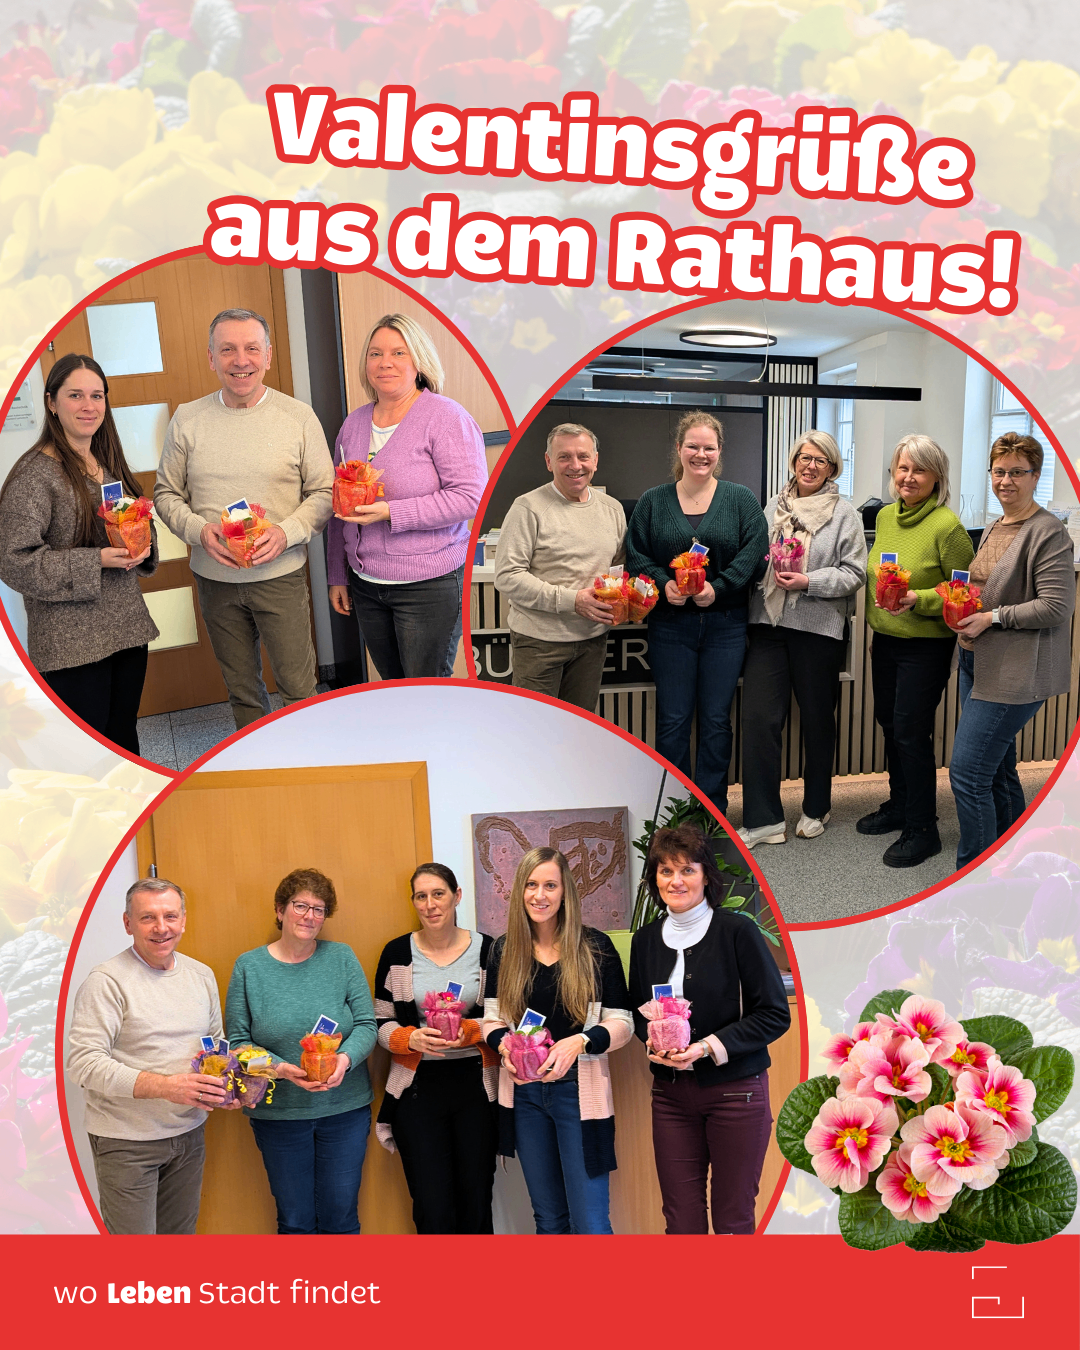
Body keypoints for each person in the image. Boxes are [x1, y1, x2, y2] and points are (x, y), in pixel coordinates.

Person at [154, 308, 334, 729]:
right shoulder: (187, 418)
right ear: (211, 358)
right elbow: (165, 493)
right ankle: (260, 765)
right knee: (243, 693)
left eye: (252, 348)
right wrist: (199, 530)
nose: (241, 360)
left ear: (268, 356)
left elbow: (323, 493)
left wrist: (286, 533)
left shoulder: (299, 417)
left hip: (282, 577)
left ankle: (310, 766)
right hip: (216, 580)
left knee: (298, 688)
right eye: (228, 350)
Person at [628, 825, 790, 1235]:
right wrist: (651, 1043)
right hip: (670, 1098)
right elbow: (637, 1013)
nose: (676, 881)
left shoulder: (737, 931)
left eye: (687, 870)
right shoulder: (644, 940)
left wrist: (704, 1048)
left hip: (735, 1093)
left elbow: (774, 1013)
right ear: (654, 880)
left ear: (706, 876)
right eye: (665, 871)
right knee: (680, 1221)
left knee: (733, 1220)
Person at [0, 353, 157, 755]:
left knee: (123, 735)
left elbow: (124, 526)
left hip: (125, 630)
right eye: (75, 395)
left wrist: (142, 539)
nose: (89, 406)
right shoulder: (34, 474)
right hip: (72, 644)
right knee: (88, 751)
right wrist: (97, 560)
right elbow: (13, 561)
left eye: (97, 395)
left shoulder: (106, 463)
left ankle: (132, 812)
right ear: (52, 402)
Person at [66, 877, 234, 1234]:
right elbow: (83, 1063)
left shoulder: (201, 975)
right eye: (148, 918)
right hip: (127, 1143)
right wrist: (165, 1087)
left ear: (184, 919)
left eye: (170, 916)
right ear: (128, 923)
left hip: (188, 1136)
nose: (162, 928)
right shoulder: (106, 981)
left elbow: (215, 1045)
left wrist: (225, 1087)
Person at [481, 847, 633, 1235]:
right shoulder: (503, 950)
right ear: (520, 891)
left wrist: (579, 1042)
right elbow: (491, 1020)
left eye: (550, 885)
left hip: (579, 1097)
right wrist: (503, 1046)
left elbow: (623, 1023)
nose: (540, 895)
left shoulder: (595, 948)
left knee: (591, 1221)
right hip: (526, 1097)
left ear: (565, 892)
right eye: (531, 885)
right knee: (548, 1219)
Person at [326, 314, 487, 679]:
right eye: (375, 353)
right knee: (395, 690)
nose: (385, 362)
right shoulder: (353, 424)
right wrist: (338, 574)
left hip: (428, 586)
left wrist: (390, 512)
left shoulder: (446, 417)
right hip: (366, 586)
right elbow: (340, 505)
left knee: (425, 695)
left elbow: (469, 498)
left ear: (418, 362)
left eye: (399, 352)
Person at [627, 412, 768, 814]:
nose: (700, 454)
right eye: (693, 446)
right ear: (678, 449)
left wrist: (718, 588)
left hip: (725, 625)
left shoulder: (740, 499)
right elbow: (635, 555)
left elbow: (755, 552)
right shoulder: (653, 501)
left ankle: (710, 810)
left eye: (709, 447)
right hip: (670, 627)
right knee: (672, 721)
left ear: (719, 451)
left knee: (716, 722)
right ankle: (675, 809)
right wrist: (663, 583)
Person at [225, 868, 377, 1235]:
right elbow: (238, 1044)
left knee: (341, 1216)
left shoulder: (341, 958)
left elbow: (367, 1025)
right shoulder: (249, 967)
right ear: (280, 910)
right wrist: (279, 1068)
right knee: (295, 1221)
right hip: (279, 1114)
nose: (310, 916)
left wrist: (346, 1059)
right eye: (300, 905)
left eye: (319, 909)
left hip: (344, 1110)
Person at [949, 432, 1076, 869]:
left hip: (1016, 670)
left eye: (1017, 472)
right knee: (998, 769)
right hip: (976, 659)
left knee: (967, 774)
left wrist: (992, 617)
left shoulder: (1048, 532)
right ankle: (1017, 861)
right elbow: (985, 585)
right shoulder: (994, 524)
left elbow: (1055, 606)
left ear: (1036, 476)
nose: (1006, 480)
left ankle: (974, 873)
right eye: (999, 471)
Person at [738, 431, 867, 847]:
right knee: (759, 719)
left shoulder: (844, 514)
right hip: (768, 625)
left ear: (832, 468)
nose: (810, 466)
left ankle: (817, 806)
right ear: (794, 461)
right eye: (804, 458)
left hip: (818, 628)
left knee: (816, 721)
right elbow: (756, 556)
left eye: (821, 461)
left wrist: (809, 580)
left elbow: (855, 574)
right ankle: (763, 819)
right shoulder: (772, 507)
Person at [861, 434, 974, 867]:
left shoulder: (948, 526)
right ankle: (900, 805)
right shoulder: (887, 517)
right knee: (890, 725)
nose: (909, 477)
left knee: (911, 732)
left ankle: (923, 828)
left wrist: (919, 599)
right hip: (885, 639)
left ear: (936, 477)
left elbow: (963, 589)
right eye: (903, 468)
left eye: (919, 469)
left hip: (925, 646)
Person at [372, 863, 499, 1233]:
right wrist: (407, 1038)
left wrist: (473, 1030)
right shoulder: (396, 952)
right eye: (421, 896)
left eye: (438, 894)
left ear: (457, 896)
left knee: (476, 1198)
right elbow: (380, 1021)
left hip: (477, 1087)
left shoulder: (488, 950)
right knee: (431, 1204)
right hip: (417, 1088)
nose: (430, 904)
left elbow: (504, 1014)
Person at [494, 422, 627, 710]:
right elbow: (507, 577)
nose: (575, 465)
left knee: (578, 731)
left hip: (593, 642)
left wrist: (623, 599)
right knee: (534, 733)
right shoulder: (527, 508)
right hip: (539, 644)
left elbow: (616, 568)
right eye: (564, 456)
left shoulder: (613, 509)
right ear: (548, 461)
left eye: (583, 456)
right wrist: (572, 601)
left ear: (596, 460)